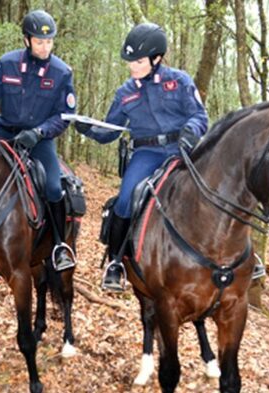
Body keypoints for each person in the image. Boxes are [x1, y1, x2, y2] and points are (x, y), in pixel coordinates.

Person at [74, 23, 208, 291]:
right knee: (125, 199)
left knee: (213, 188)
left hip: (181, 148)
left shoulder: (179, 81)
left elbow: (199, 116)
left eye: (138, 61)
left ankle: (240, 255)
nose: (132, 67)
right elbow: (109, 131)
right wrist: (87, 127)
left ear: (157, 58)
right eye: (129, 62)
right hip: (146, 153)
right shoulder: (125, 93)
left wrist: (190, 132)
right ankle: (116, 262)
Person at [0, 9, 77, 271]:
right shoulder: (7, 64)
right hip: (4, 133)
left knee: (54, 187)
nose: (45, 46)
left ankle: (59, 246)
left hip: (39, 139)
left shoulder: (62, 73)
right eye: (40, 41)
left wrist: (40, 132)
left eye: (49, 41)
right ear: (26, 40)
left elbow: (65, 114)